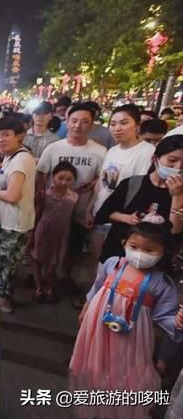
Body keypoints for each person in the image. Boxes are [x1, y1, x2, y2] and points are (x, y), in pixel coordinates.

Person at [70, 222, 183, 419]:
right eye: (134, 247)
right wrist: (87, 307)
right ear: (124, 244)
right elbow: (97, 287)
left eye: (149, 249)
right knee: (96, 362)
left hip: (133, 336)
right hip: (98, 325)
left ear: (163, 252)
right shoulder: (113, 263)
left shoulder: (161, 284)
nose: (140, 253)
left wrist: (178, 323)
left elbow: (166, 318)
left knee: (127, 370)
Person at [0, 116, 36, 313]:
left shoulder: (21, 159)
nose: (0, 139)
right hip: (10, 219)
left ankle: (2, 300)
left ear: (19, 136)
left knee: (6, 263)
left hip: (16, 222)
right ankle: (0, 295)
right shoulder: (10, 155)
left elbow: (12, 195)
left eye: (6, 135)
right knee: (4, 260)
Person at [95, 135, 183, 263]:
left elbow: (175, 231)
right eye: (172, 160)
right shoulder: (133, 183)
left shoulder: (180, 193)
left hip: (154, 267)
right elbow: (102, 214)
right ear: (155, 159)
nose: (178, 168)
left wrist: (177, 196)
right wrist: (126, 218)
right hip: (116, 258)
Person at [37, 103, 107, 254]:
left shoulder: (100, 152)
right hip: (53, 210)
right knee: (47, 248)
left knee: (73, 249)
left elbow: (101, 180)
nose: (78, 126)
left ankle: (67, 276)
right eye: (74, 120)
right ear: (67, 122)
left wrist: (90, 209)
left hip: (80, 212)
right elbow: (41, 178)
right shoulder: (53, 148)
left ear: (92, 124)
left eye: (85, 121)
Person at [32, 161, 78, 303]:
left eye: (69, 179)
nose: (64, 182)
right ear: (53, 178)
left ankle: (51, 288)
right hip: (43, 230)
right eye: (61, 178)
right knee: (37, 259)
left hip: (61, 234)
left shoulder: (74, 197)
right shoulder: (44, 194)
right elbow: (37, 214)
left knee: (53, 264)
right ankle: (39, 288)